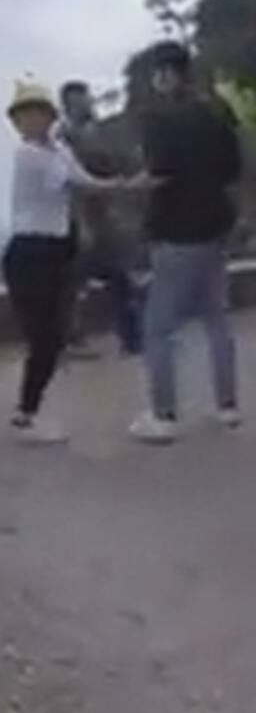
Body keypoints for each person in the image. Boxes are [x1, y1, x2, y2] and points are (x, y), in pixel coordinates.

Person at [129, 42, 244, 444]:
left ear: (166, 75)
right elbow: (233, 171)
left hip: (177, 234)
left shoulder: (158, 120)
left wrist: (133, 186)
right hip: (215, 229)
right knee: (216, 318)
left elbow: (160, 173)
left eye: (158, 74)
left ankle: (164, 414)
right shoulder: (216, 114)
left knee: (158, 327)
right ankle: (227, 405)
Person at [2, 79, 125, 445]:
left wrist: (122, 184)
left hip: (56, 251)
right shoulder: (30, 155)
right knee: (44, 338)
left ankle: (28, 411)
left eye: (37, 113)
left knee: (52, 337)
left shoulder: (57, 151)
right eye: (24, 116)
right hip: (29, 252)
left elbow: (87, 180)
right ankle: (28, 415)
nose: (31, 121)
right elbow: (71, 184)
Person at [57, 80, 144, 358]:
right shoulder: (65, 139)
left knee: (118, 279)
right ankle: (70, 339)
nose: (88, 103)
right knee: (77, 283)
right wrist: (81, 223)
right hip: (80, 219)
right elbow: (70, 184)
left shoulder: (93, 133)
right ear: (70, 104)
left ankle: (132, 339)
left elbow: (111, 166)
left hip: (103, 216)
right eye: (82, 100)